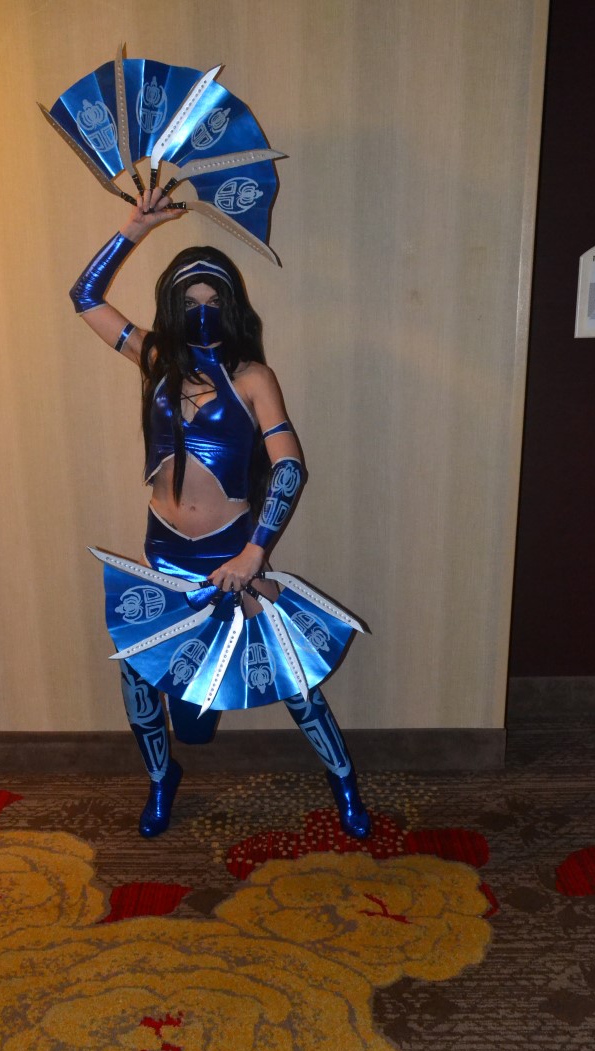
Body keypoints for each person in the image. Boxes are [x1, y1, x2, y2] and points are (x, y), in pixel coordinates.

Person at [69, 187, 371, 841]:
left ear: (231, 306)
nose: (201, 312)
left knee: (293, 676)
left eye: (213, 300)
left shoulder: (252, 377)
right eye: (190, 301)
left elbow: (288, 467)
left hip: (234, 555)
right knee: (141, 677)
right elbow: (85, 299)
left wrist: (254, 553)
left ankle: (345, 782)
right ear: (173, 304)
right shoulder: (154, 359)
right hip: (162, 553)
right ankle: (161, 780)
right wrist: (134, 228)